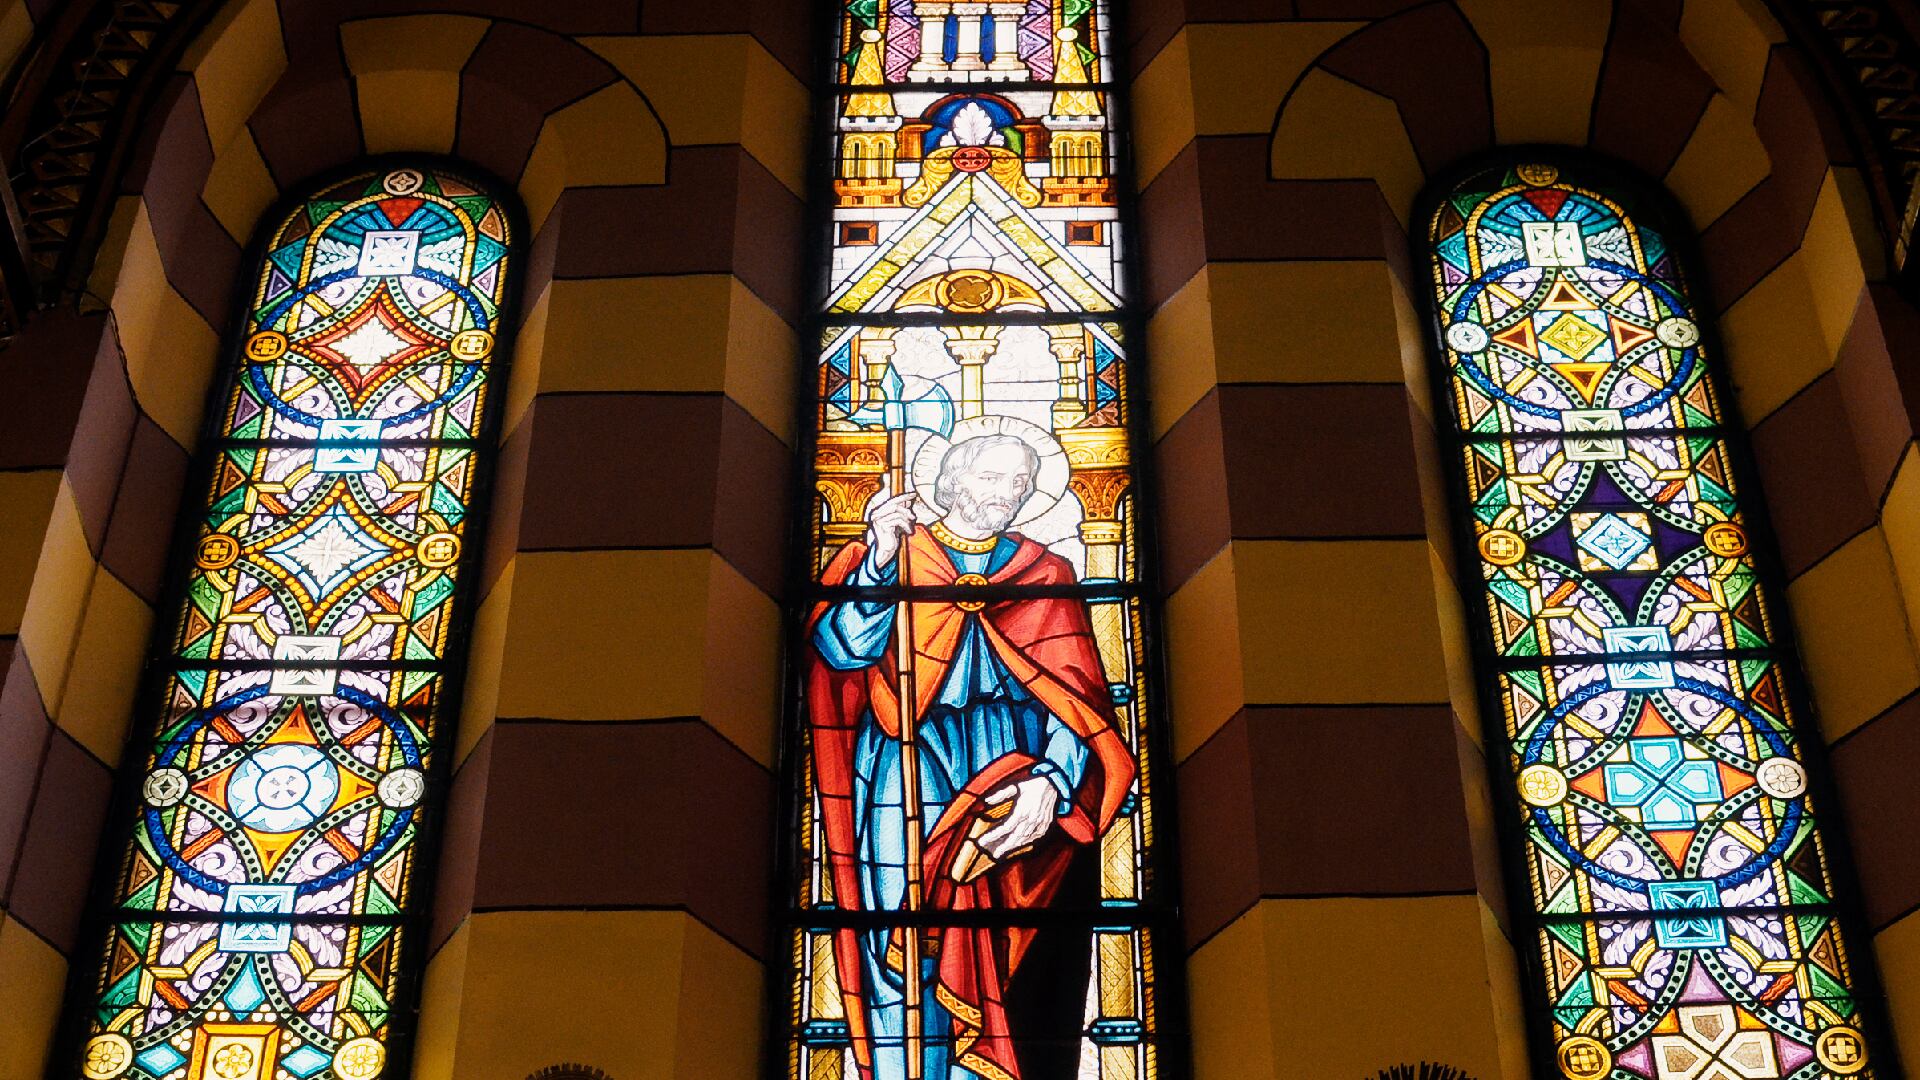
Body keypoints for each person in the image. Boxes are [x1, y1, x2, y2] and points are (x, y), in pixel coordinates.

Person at [807, 433, 1135, 1080]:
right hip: (906, 766)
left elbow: (1077, 700)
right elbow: (841, 652)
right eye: (990, 478)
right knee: (901, 930)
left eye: (1019, 482)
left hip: (1013, 772)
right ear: (952, 483)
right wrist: (878, 558)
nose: (1004, 494)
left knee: (1002, 934)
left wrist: (1052, 781)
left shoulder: (1047, 574)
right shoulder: (896, 557)